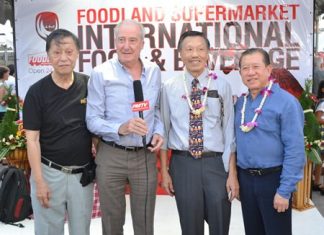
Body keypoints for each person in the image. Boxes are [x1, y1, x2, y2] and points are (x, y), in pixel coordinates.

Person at [86, 19, 164, 235]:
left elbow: (156, 110)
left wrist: (158, 131)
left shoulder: (154, 71)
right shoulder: (101, 73)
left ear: (142, 43)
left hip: (144, 156)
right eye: (121, 40)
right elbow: (91, 119)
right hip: (111, 155)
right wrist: (120, 127)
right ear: (115, 42)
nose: (126, 46)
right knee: (112, 221)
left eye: (132, 40)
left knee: (145, 221)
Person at [160, 31, 239, 235]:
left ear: (208, 53)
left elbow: (229, 129)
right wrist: (165, 171)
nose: (195, 54)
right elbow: (164, 130)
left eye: (200, 49)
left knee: (220, 223)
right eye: (189, 49)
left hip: (215, 163)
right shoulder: (169, 87)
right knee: (190, 227)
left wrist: (231, 173)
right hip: (183, 163)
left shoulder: (222, 85)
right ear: (180, 54)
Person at [23, 29, 94, 235]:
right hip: (49, 172)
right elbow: (32, 140)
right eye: (57, 52)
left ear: (78, 53)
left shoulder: (88, 84)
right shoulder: (36, 92)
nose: (63, 58)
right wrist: (39, 180)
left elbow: (97, 129)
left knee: (81, 230)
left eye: (69, 52)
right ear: (48, 56)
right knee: (48, 231)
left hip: (82, 175)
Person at [234, 48, 305, 235]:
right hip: (247, 181)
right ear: (240, 72)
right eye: (245, 68)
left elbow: (295, 150)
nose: (250, 72)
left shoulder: (287, 102)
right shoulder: (241, 104)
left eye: (256, 67)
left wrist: (284, 190)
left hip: (274, 181)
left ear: (268, 69)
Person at [314, 80, 324, 195]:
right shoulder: (322, 103)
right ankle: (317, 183)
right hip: (322, 134)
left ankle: (317, 183)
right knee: (320, 159)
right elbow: (318, 119)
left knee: (320, 160)